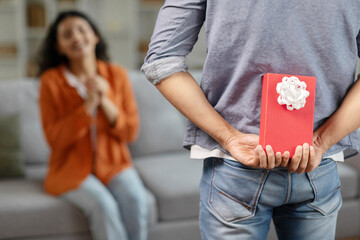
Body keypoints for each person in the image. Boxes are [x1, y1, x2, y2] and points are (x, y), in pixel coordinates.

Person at [142, 1, 360, 240]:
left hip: (236, 163)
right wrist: (321, 142)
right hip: (316, 163)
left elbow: (161, 61)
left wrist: (229, 137)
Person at [38, 10, 148, 240]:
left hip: (115, 164)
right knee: (103, 204)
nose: (77, 37)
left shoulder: (116, 75)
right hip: (69, 170)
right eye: (67, 34)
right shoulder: (51, 82)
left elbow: (130, 132)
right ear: (59, 47)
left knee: (137, 199)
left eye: (82, 30)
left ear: (95, 36)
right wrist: (88, 105)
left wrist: (104, 100)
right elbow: (55, 140)